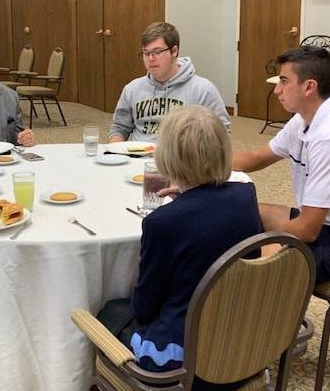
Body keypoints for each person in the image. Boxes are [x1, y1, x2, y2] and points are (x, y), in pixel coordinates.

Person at [98, 105, 262, 390]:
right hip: (241, 337)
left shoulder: (162, 222)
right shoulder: (246, 195)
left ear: (167, 155)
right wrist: (189, 196)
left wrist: (181, 206)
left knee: (109, 311)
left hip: (181, 358)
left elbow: (145, 307)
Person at [233, 45, 330, 283]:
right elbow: (255, 159)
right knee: (240, 212)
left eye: (284, 81)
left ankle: (266, 315)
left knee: (259, 263)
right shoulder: (303, 120)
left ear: (309, 87)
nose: (276, 90)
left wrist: (260, 242)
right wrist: (196, 167)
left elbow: (307, 229)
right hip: (329, 225)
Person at [108, 22, 230, 143]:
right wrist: (116, 152)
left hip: (179, 160)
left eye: (158, 52)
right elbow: (119, 129)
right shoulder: (132, 88)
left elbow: (222, 134)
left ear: (174, 51)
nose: (151, 59)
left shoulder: (203, 89)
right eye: (146, 53)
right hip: (136, 158)